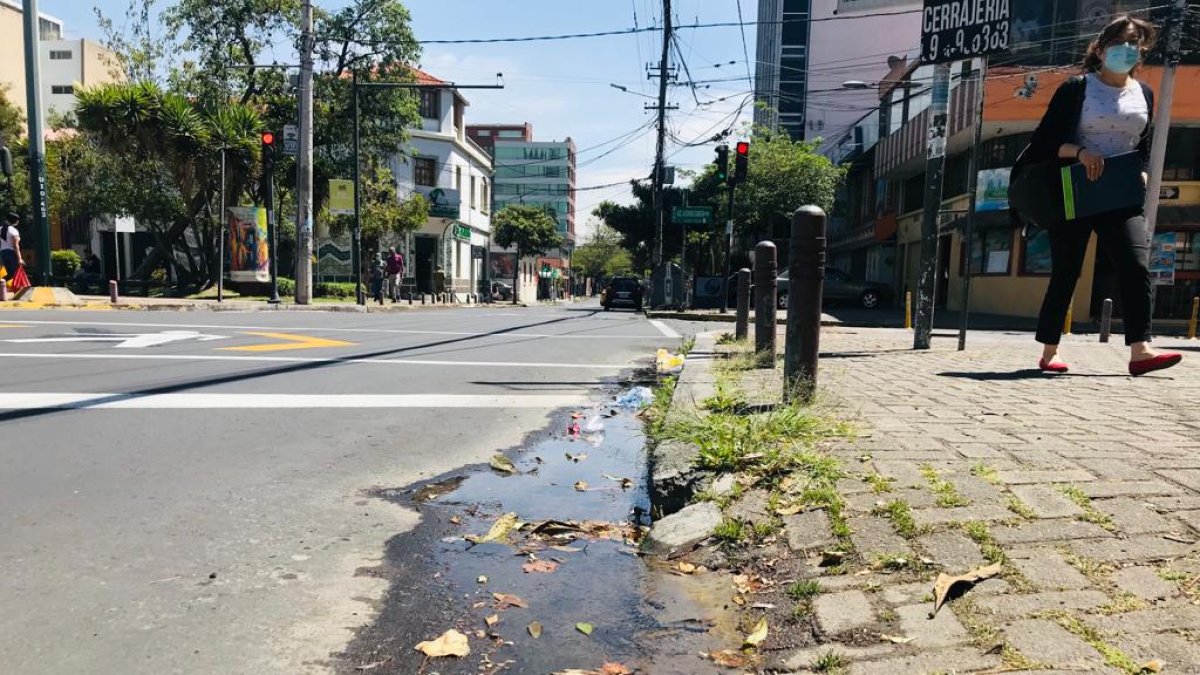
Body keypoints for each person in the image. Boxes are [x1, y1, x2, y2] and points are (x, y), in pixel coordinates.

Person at [1017, 15, 1181, 377]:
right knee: (1068, 270)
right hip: (1076, 189)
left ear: (1142, 50)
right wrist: (1079, 152)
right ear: (1101, 47)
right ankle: (1049, 351)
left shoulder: (1145, 93)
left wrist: (1141, 169)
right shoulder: (1077, 89)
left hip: (1120, 193)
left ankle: (1141, 349)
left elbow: (1142, 142)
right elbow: (1043, 145)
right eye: (1120, 41)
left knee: (1136, 264)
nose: (1127, 48)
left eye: (1135, 42)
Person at [0, 212, 23, 281]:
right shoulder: (13, 231)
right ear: (14, 221)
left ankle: (2, 286)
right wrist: (19, 259)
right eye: (17, 220)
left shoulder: (0, 228)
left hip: (3, 253)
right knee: (17, 273)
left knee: (10, 274)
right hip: (11, 254)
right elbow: (16, 246)